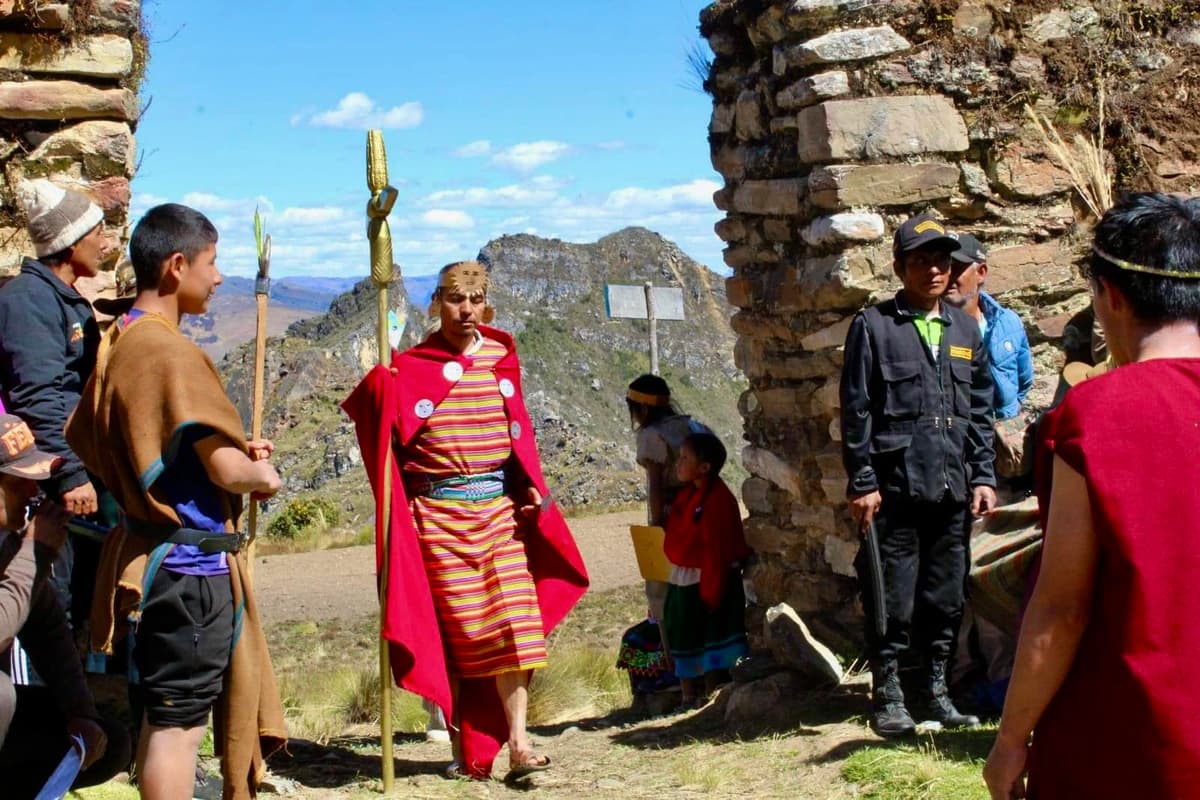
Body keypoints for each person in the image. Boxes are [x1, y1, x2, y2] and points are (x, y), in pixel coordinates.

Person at [65, 203, 286, 800]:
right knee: (178, 728)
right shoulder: (169, 353)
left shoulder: (121, 339)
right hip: (189, 573)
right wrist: (261, 473)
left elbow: (132, 442)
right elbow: (227, 471)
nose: (218, 277)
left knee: (161, 712)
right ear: (177, 265)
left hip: (150, 563)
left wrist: (217, 450)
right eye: (212, 263)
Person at [984, 193, 1200, 799]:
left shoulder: (1095, 415)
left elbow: (1063, 607)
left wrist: (1011, 740)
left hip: (1134, 738)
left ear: (1110, 296)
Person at [342, 260, 588, 780]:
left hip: (499, 514)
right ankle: (463, 746)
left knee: (516, 623)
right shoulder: (410, 367)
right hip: (438, 519)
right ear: (438, 303)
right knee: (461, 635)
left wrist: (528, 485)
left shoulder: (500, 358)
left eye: (476, 300)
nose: (467, 310)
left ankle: (520, 743)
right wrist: (380, 390)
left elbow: (518, 431)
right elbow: (380, 426)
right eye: (456, 300)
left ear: (487, 304)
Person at [840, 213, 997, 737]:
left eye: (941, 260)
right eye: (920, 260)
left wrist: (983, 475)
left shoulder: (964, 328)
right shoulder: (874, 326)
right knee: (893, 595)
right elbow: (856, 410)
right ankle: (888, 696)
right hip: (896, 489)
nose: (933, 270)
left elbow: (980, 409)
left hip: (952, 487)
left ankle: (936, 693)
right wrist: (863, 481)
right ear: (899, 267)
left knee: (945, 596)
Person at [0, 413, 131, 795]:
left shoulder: (8, 544)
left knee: (108, 740)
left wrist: (81, 713)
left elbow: (48, 632)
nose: (34, 494)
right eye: (18, 482)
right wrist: (34, 556)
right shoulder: (23, 551)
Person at [662, 432, 748, 709]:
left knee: (711, 635)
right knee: (684, 632)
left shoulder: (718, 500)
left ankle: (711, 693)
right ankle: (688, 695)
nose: (678, 463)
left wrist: (711, 591)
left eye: (685, 458)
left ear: (704, 467)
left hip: (708, 579)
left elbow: (716, 550)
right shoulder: (688, 496)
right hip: (685, 577)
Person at [625, 376, 709, 626]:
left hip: (675, 516)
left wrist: (657, 524)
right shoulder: (692, 426)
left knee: (665, 585)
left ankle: (670, 637)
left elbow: (656, 484)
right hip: (703, 509)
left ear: (642, 410)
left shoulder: (652, 436)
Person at [943, 234, 1033, 420]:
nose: (947, 276)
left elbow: (1024, 380)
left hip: (1003, 427)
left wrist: (1009, 414)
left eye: (956, 268)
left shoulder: (1007, 322)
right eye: (943, 268)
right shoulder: (933, 328)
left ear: (981, 272)